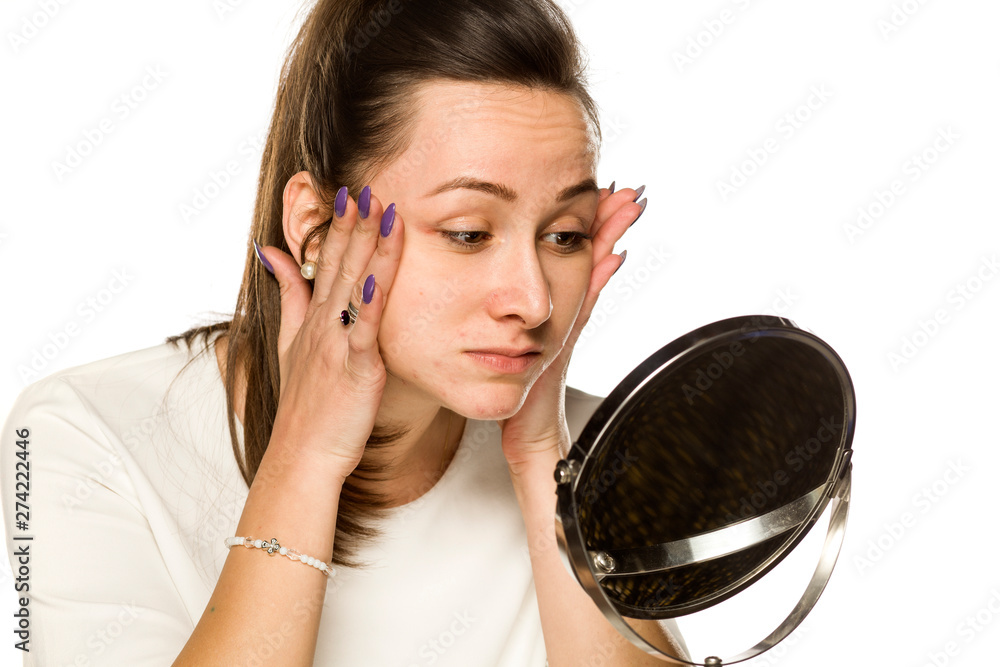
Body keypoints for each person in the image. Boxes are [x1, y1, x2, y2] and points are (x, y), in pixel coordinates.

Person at [1, 0, 687, 664]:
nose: (534, 300)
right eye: (468, 232)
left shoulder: (589, 458)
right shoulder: (84, 433)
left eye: (565, 235)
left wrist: (546, 457)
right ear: (314, 230)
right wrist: (304, 454)